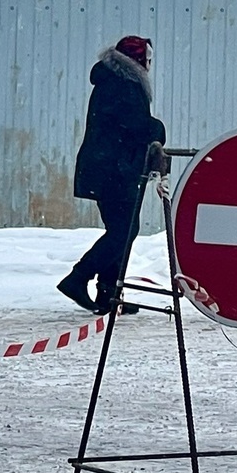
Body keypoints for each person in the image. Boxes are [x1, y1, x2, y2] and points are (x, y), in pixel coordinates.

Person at [58, 35, 167, 315]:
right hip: (114, 170)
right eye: (148, 59)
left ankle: (109, 293)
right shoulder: (124, 85)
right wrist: (158, 130)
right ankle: (79, 277)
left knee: (122, 230)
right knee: (124, 230)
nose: (151, 65)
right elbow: (135, 125)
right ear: (138, 60)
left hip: (110, 169)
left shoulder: (114, 81)